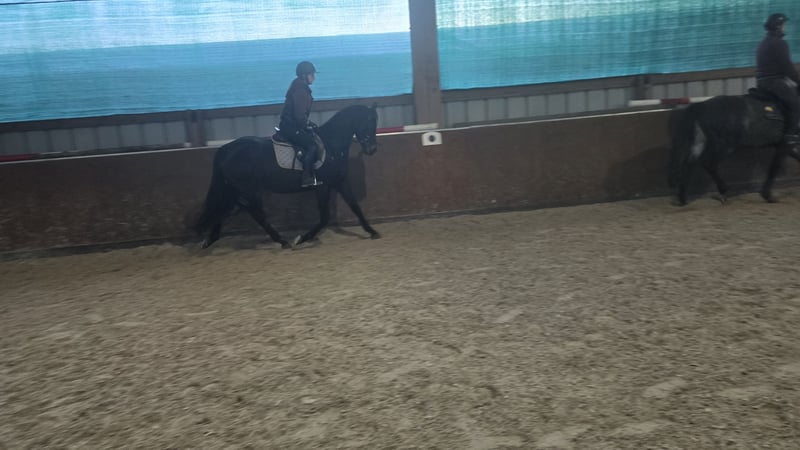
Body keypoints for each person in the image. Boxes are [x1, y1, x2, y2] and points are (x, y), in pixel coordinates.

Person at [756, 13, 800, 146]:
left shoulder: (764, 42)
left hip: (762, 82)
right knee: (796, 103)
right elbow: (787, 67)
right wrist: (798, 80)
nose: (785, 27)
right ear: (778, 26)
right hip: (774, 82)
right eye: (783, 25)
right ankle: (791, 134)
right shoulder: (779, 43)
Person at [279, 61, 321, 186]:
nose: (314, 77)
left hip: (292, 125)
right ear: (304, 76)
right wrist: (308, 125)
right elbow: (299, 116)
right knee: (312, 145)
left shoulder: (299, 87)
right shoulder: (301, 91)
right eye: (312, 74)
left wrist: (309, 124)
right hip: (291, 127)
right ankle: (306, 177)